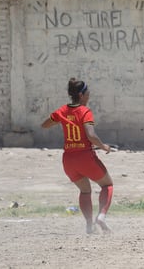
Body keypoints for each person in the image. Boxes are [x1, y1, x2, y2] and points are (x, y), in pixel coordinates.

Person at [41, 78, 114, 234]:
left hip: (68, 160)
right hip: (84, 157)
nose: (89, 95)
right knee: (107, 185)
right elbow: (91, 135)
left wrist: (62, 120)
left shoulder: (62, 111)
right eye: (87, 93)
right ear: (81, 95)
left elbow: (45, 124)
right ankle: (101, 217)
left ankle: (89, 225)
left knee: (85, 191)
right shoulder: (84, 111)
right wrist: (104, 146)